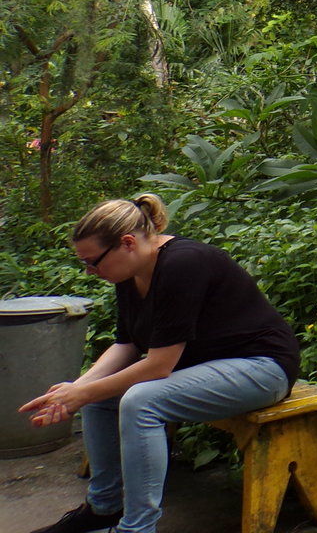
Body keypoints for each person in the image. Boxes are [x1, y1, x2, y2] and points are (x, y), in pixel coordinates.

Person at [20, 194, 300, 533]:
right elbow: (127, 345)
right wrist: (78, 389)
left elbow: (158, 366)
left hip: (261, 367)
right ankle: (104, 509)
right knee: (96, 396)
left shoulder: (183, 263)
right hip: (202, 369)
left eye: (93, 262)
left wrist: (83, 393)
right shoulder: (129, 273)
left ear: (127, 243)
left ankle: (137, 528)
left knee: (141, 402)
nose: (90, 272)